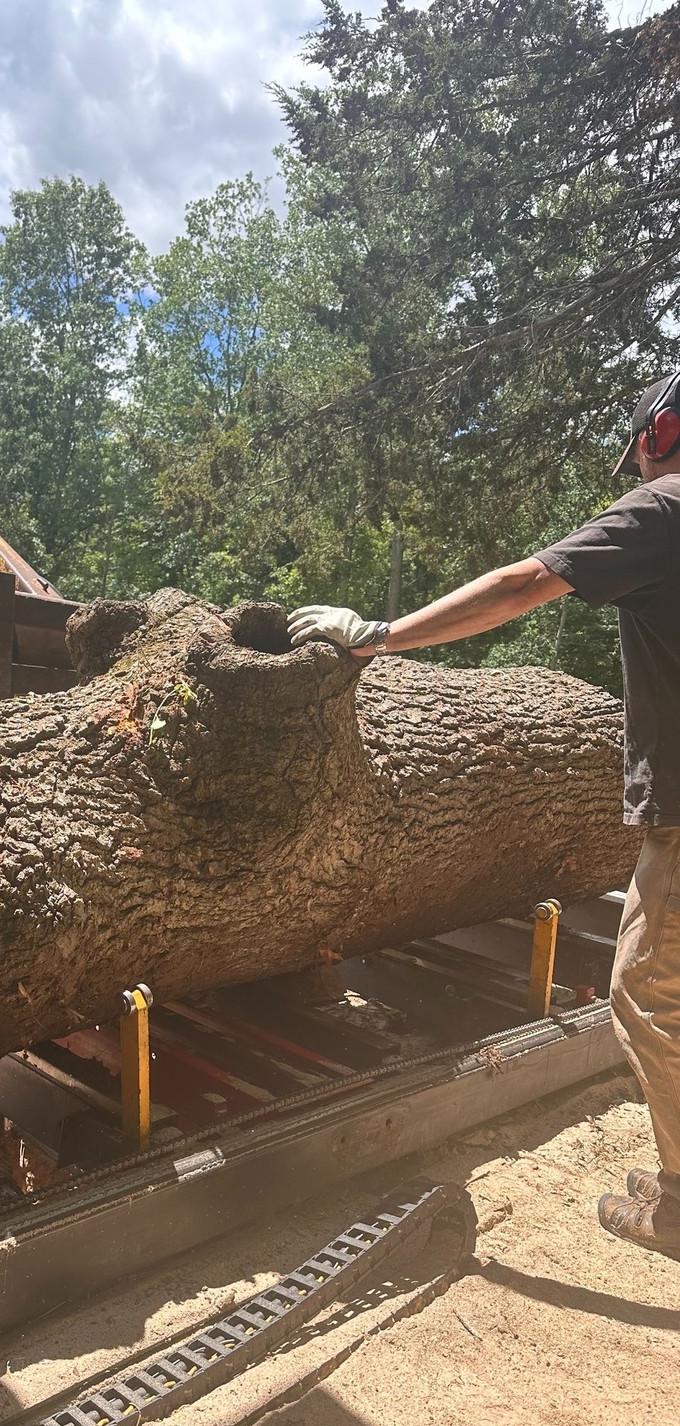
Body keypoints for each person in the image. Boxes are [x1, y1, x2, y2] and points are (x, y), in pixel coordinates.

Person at [288, 373, 680, 1262]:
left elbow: (520, 585)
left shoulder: (661, 511)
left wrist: (380, 635)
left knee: (647, 996)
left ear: (659, 432)